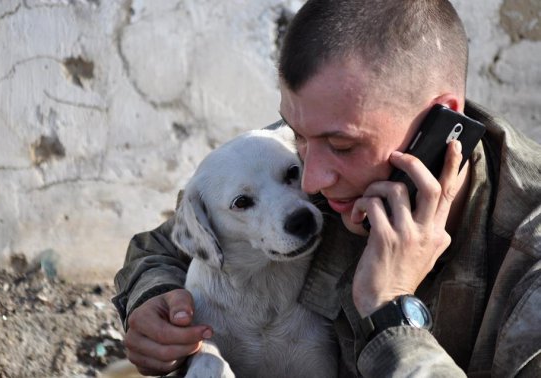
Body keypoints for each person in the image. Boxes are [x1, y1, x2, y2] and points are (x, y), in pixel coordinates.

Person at [113, 0, 541, 376]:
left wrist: (389, 311)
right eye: (298, 133)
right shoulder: (301, 152)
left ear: (442, 122)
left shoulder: (530, 258)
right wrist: (155, 305)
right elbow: (165, 247)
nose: (311, 180)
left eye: (342, 145)